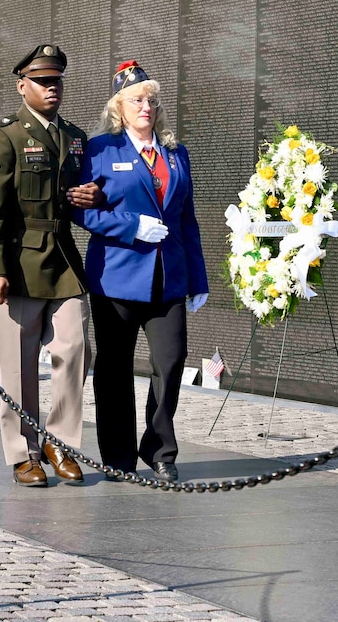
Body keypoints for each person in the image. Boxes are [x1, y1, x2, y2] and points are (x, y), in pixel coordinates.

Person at [0, 44, 103, 488]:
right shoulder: (3, 135)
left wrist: (94, 197)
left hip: (62, 259)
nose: (52, 88)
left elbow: (84, 192)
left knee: (73, 348)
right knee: (18, 366)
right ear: (21, 85)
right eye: (43, 81)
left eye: (57, 81)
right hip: (17, 262)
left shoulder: (75, 137)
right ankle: (24, 450)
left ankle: (59, 441)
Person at [75, 60, 209, 482]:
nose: (145, 106)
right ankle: (118, 456)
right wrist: (132, 226)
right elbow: (82, 213)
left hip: (169, 278)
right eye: (136, 99)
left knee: (170, 363)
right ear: (119, 106)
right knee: (114, 369)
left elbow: (187, 220)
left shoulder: (175, 152)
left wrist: (198, 279)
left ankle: (160, 450)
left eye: (151, 99)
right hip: (116, 277)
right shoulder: (100, 150)